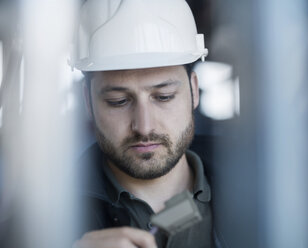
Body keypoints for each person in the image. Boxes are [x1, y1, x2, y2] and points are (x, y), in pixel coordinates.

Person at [70, 0, 225, 247]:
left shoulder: (260, 192)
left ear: (194, 91)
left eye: (163, 97)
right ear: (88, 102)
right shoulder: (43, 215)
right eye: (118, 101)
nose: (144, 126)